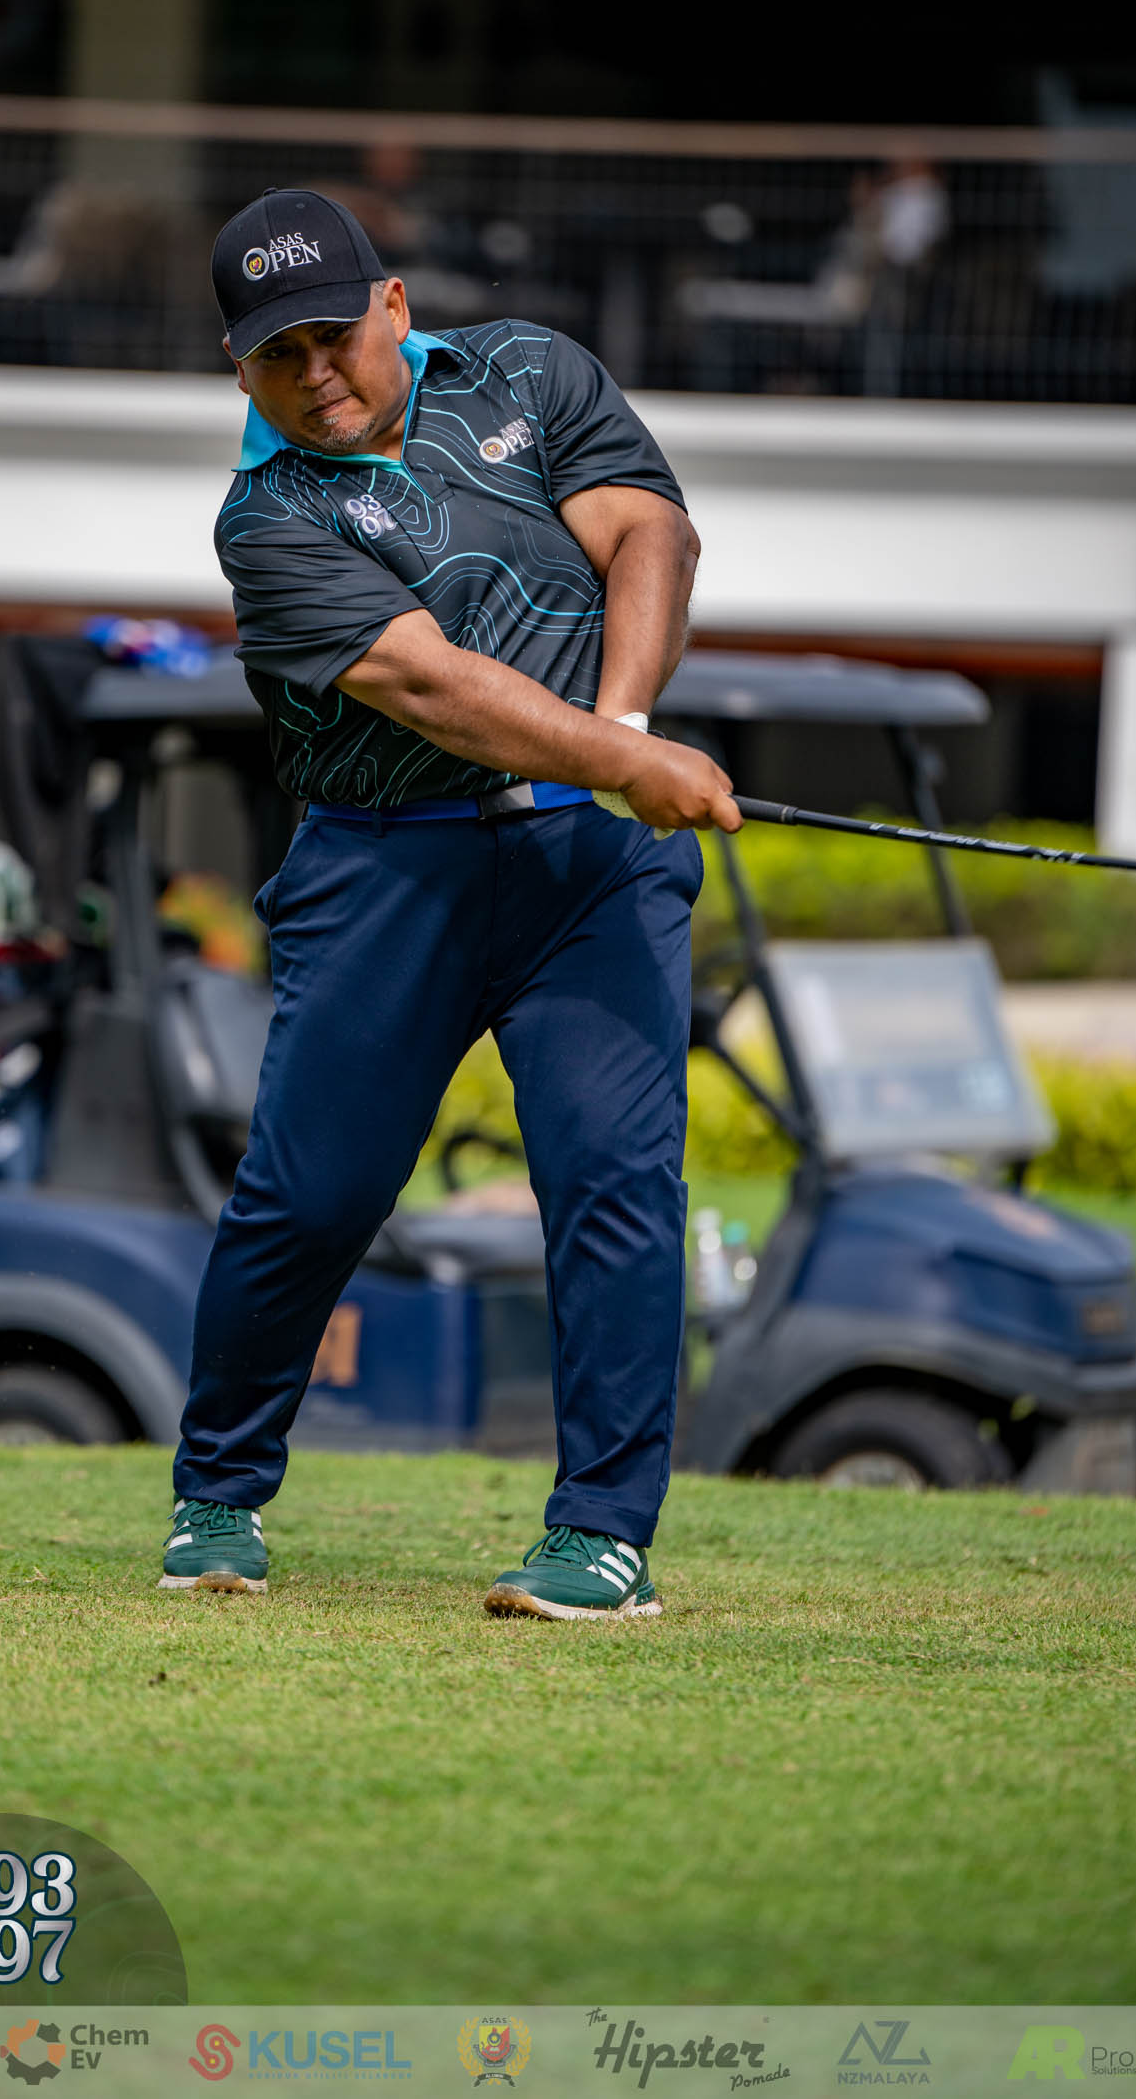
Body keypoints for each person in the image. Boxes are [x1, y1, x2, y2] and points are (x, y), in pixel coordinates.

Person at [160, 187, 740, 1621]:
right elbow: (430, 686)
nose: (317, 373)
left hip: (587, 873)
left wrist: (621, 732)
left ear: (395, 306)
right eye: (277, 354)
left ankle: (602, 1534)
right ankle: (218, 1491)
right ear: (239, 370)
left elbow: (651, 536)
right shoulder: (266, 519)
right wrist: (631, 761)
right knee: (312, 1197)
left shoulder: (529, 374)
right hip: (384, 870)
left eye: (335, 334)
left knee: (617, 1185)